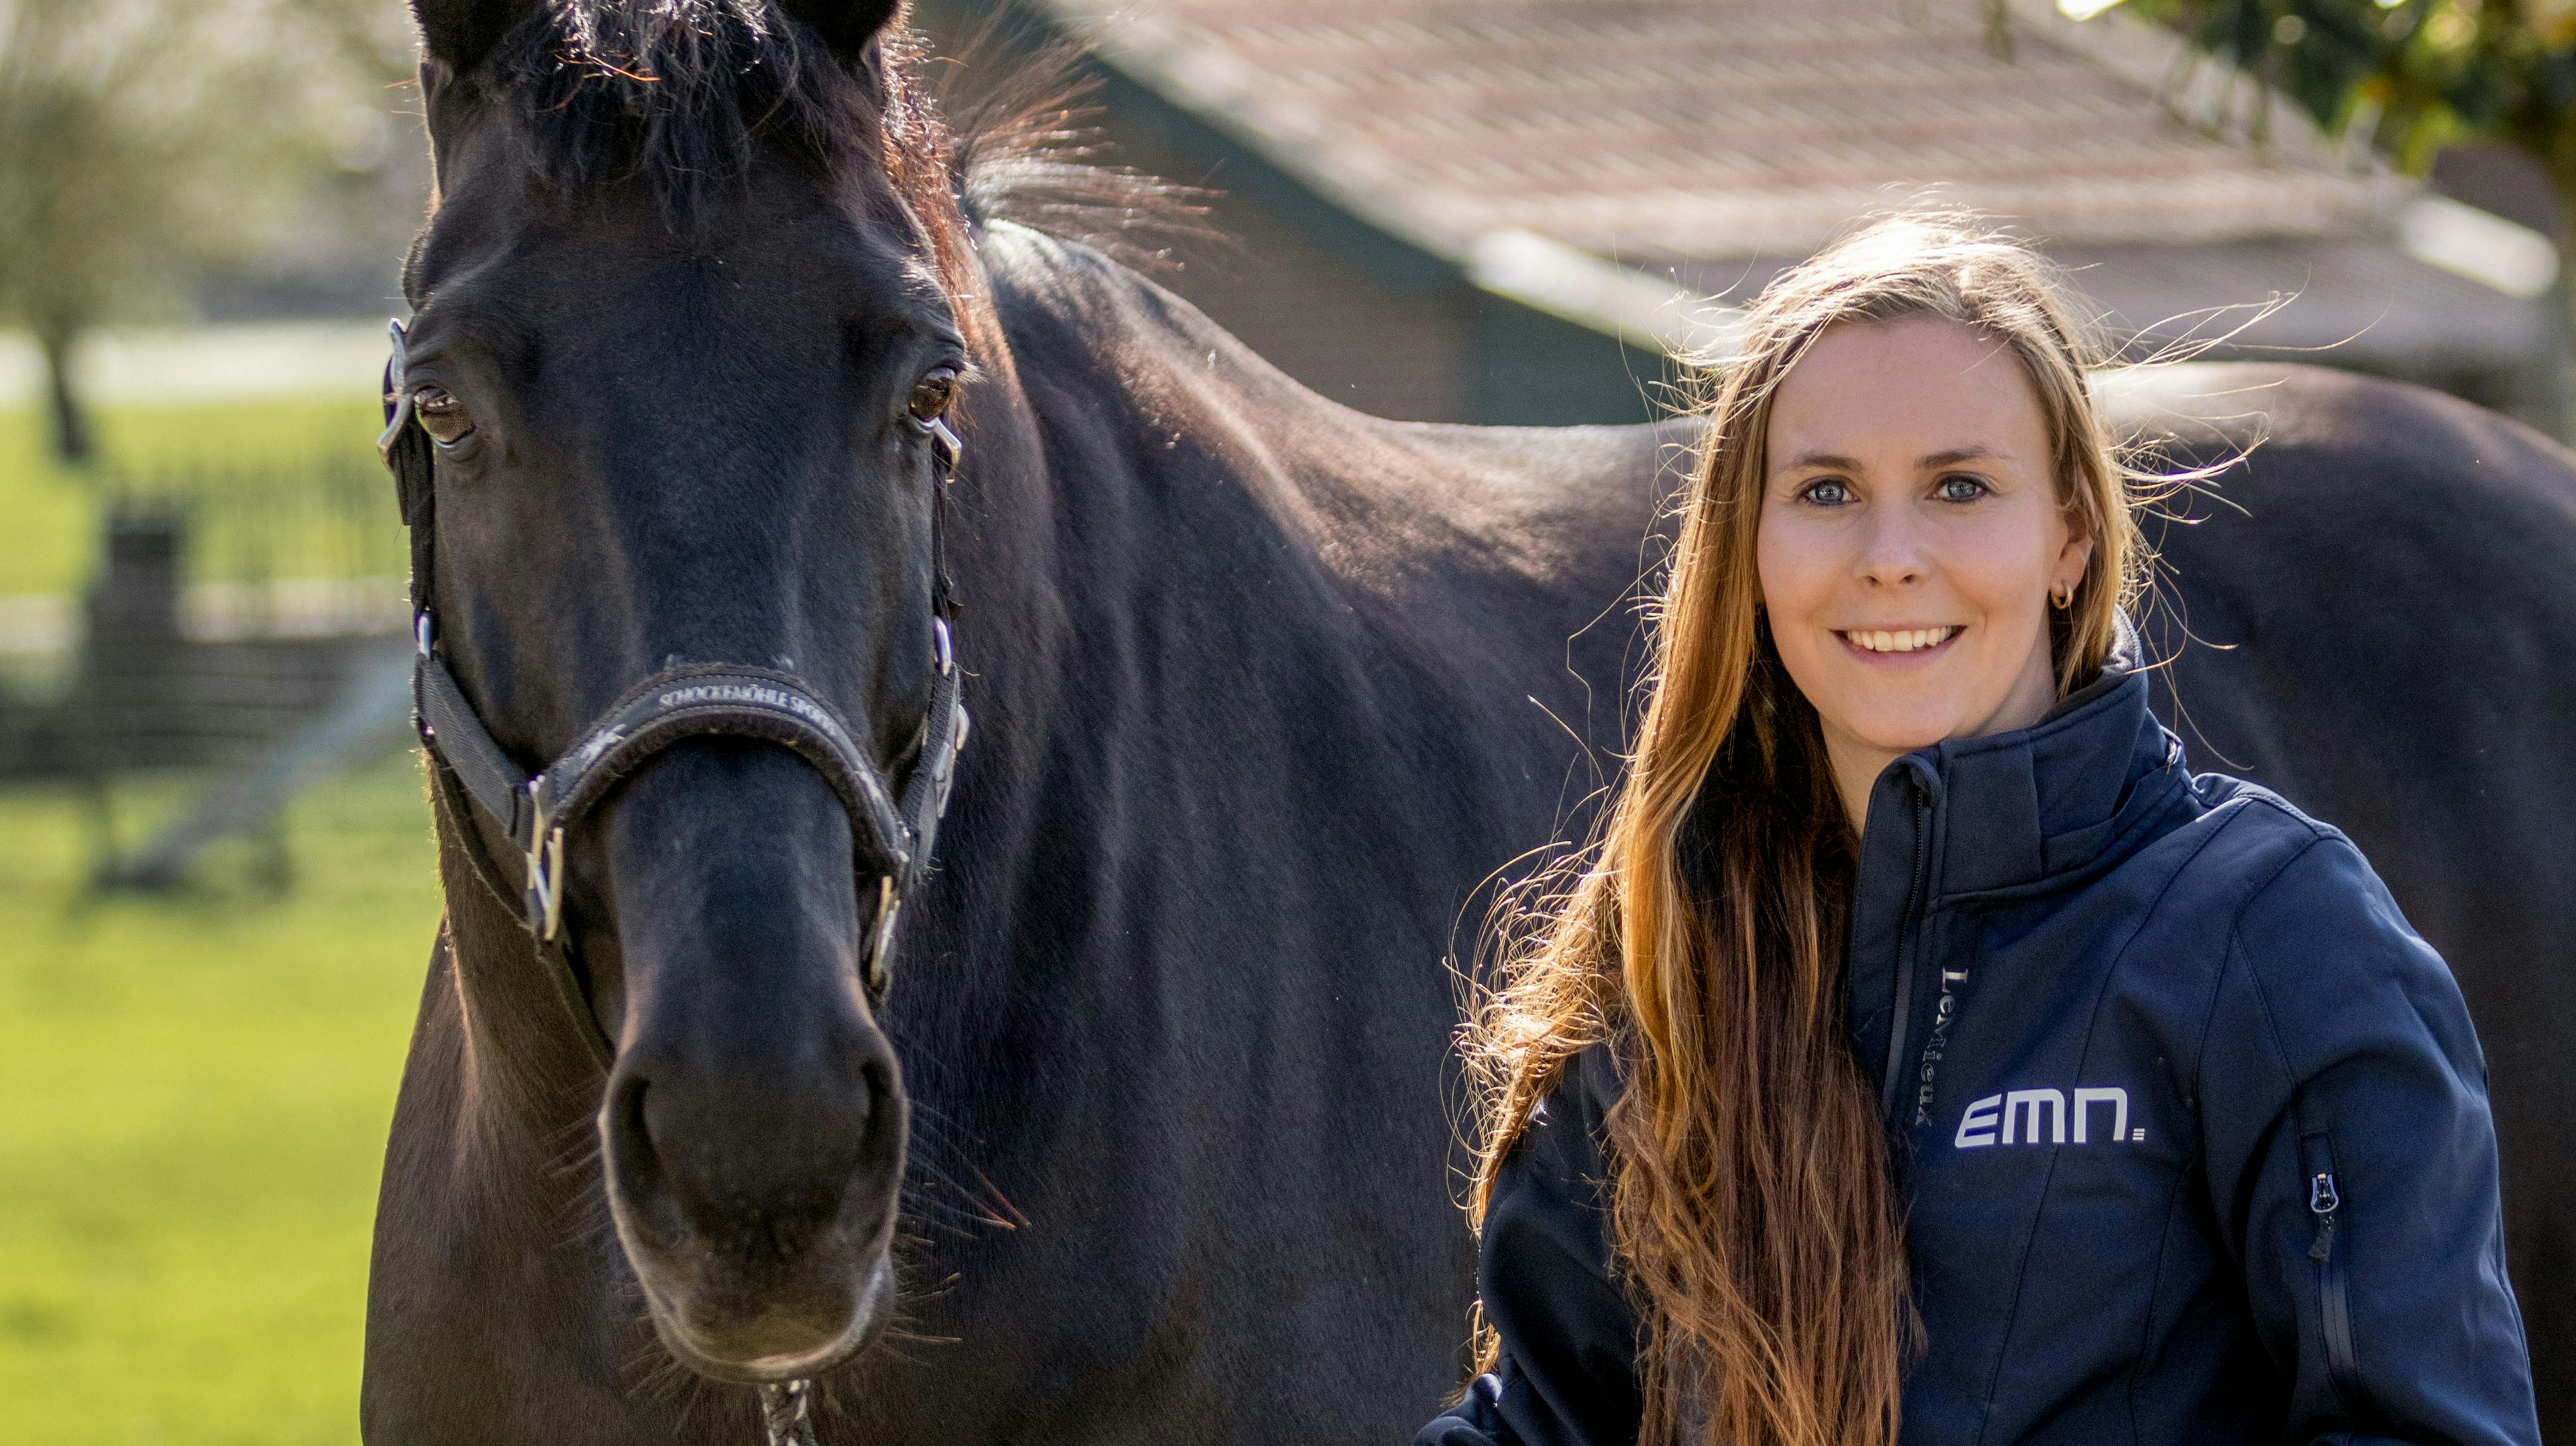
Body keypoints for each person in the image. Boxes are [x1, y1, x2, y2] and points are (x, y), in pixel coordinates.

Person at [1415, 216, 2538, 1446]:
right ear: (1749, 547)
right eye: (1827, 491)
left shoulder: (2277, 938)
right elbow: (1549, 1421)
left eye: (1959, 487)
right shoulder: (1676, 959)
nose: (1891, 557)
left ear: (2070, 536)